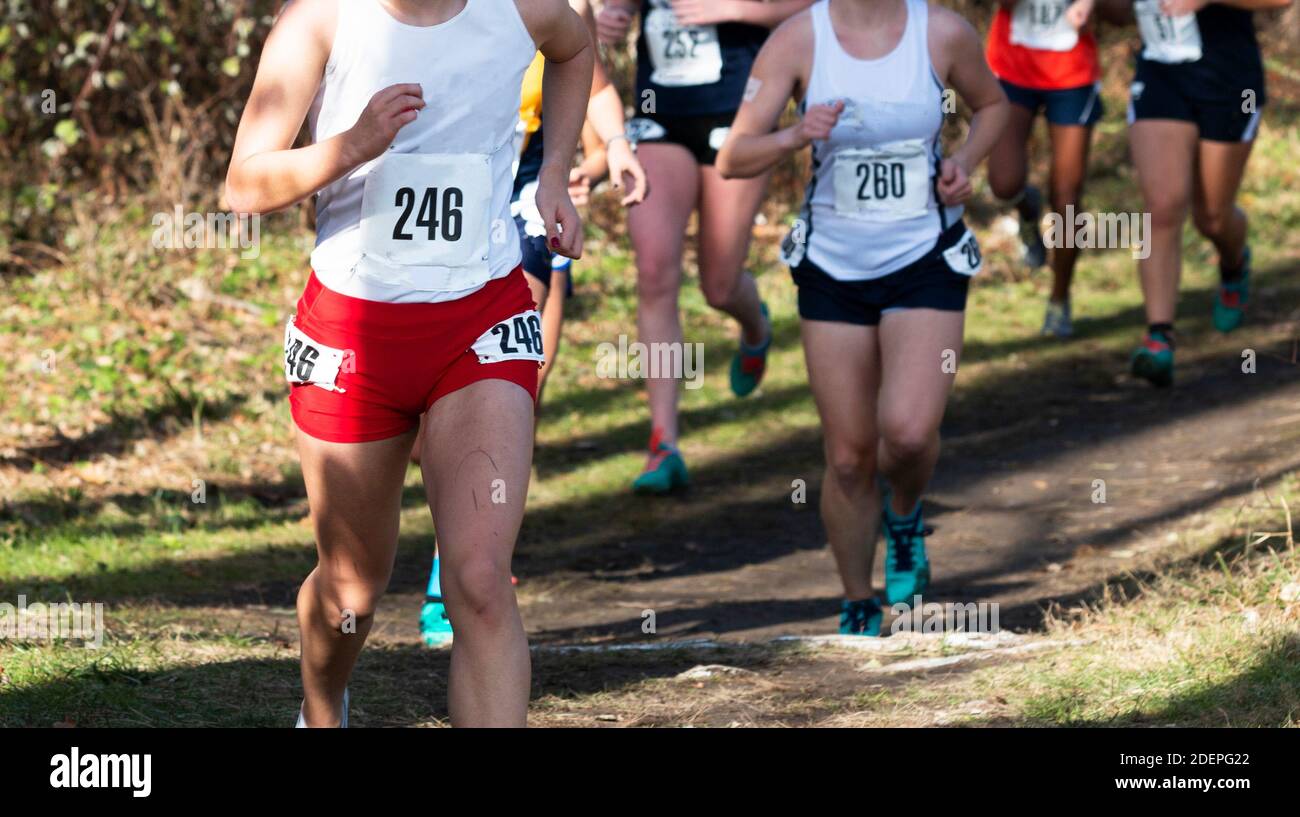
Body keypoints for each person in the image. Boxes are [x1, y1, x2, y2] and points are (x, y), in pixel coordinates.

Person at [225, 0, 593, 726]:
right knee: (351, 593)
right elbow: (242, 187)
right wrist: (352, 144)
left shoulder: (522, 7)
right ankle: (323, 708)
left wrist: (555, 169)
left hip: (479, 319)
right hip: (353, 335)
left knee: (481, 580)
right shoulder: (321, 20)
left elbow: (575, 51)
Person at [717, 0, 1009, 634]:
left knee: (905, 434)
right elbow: (733, 157)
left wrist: (965, 163)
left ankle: (904, 514)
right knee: (849, 456)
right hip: (832, 267)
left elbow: (994, 105)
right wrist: (797, 133)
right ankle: (857, 598)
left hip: (924, 256)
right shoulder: (798, 39)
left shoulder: (942, 32)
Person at [419, 0, 649, 649]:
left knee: (519, 373)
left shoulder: (555, 6)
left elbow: (592, 79)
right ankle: (463, 541)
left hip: (524, 192)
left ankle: (462, 564)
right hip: (437, 191)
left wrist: (614, 153)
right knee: (430, 406)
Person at [597, 0, 818, 494]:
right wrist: (609, 18)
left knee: (718, 285)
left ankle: (756, 327)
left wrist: (737, 8)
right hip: (660, 117)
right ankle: (663, 443)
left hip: (739, 119)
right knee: (654, 271)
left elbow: (814, 7)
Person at [1116, 0, 1292, 386]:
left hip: (1229, 78)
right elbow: (1117, 13)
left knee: (1212, 215)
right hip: (1161, 73)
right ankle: (1159, 337)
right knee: (1161, 207)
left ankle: (1233, 262)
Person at [985, 0, 1103, 337]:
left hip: (1072, 73)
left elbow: (1121, 14)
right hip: (1013, 67)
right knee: (1003, 183)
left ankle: (1059, 297)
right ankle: (1026, 209)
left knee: (1067, 195)